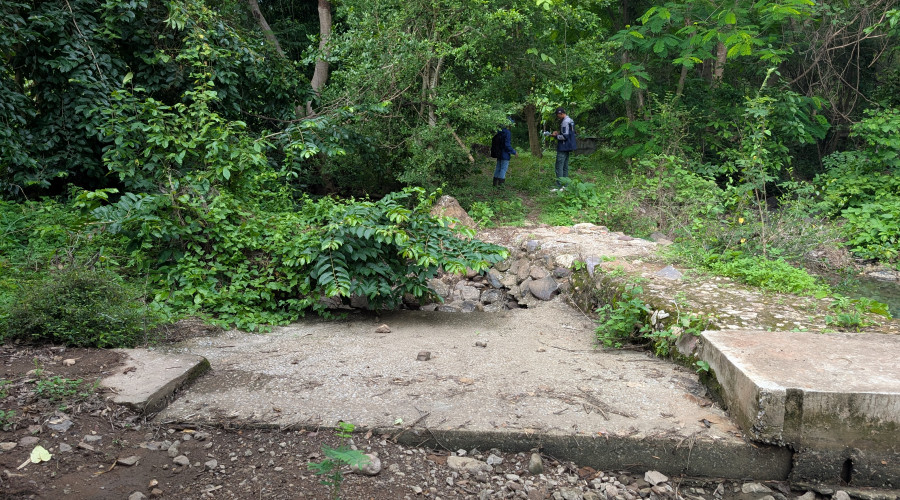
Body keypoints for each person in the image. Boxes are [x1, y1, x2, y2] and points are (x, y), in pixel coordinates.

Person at [550, 107, 576, 190]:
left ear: (561, 113)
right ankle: (565, 186)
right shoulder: (570, 120)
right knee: (565, 166)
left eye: (558, 115)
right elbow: (569, 133)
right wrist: (559, 133)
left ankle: (559, 186)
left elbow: (565, 136)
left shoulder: (565, 122)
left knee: (559, 167)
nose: (558, 117)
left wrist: (555, 136)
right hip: (568, 147)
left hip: (563, 147)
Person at [492, 120, 517, 187]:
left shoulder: (499, 131)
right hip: (505, 154)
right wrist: (514, 152)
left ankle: (495, 184)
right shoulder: (507, 132)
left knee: (498, 168)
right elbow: (507, 145)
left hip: (498, 153)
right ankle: (501, 185)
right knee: (503, 169)